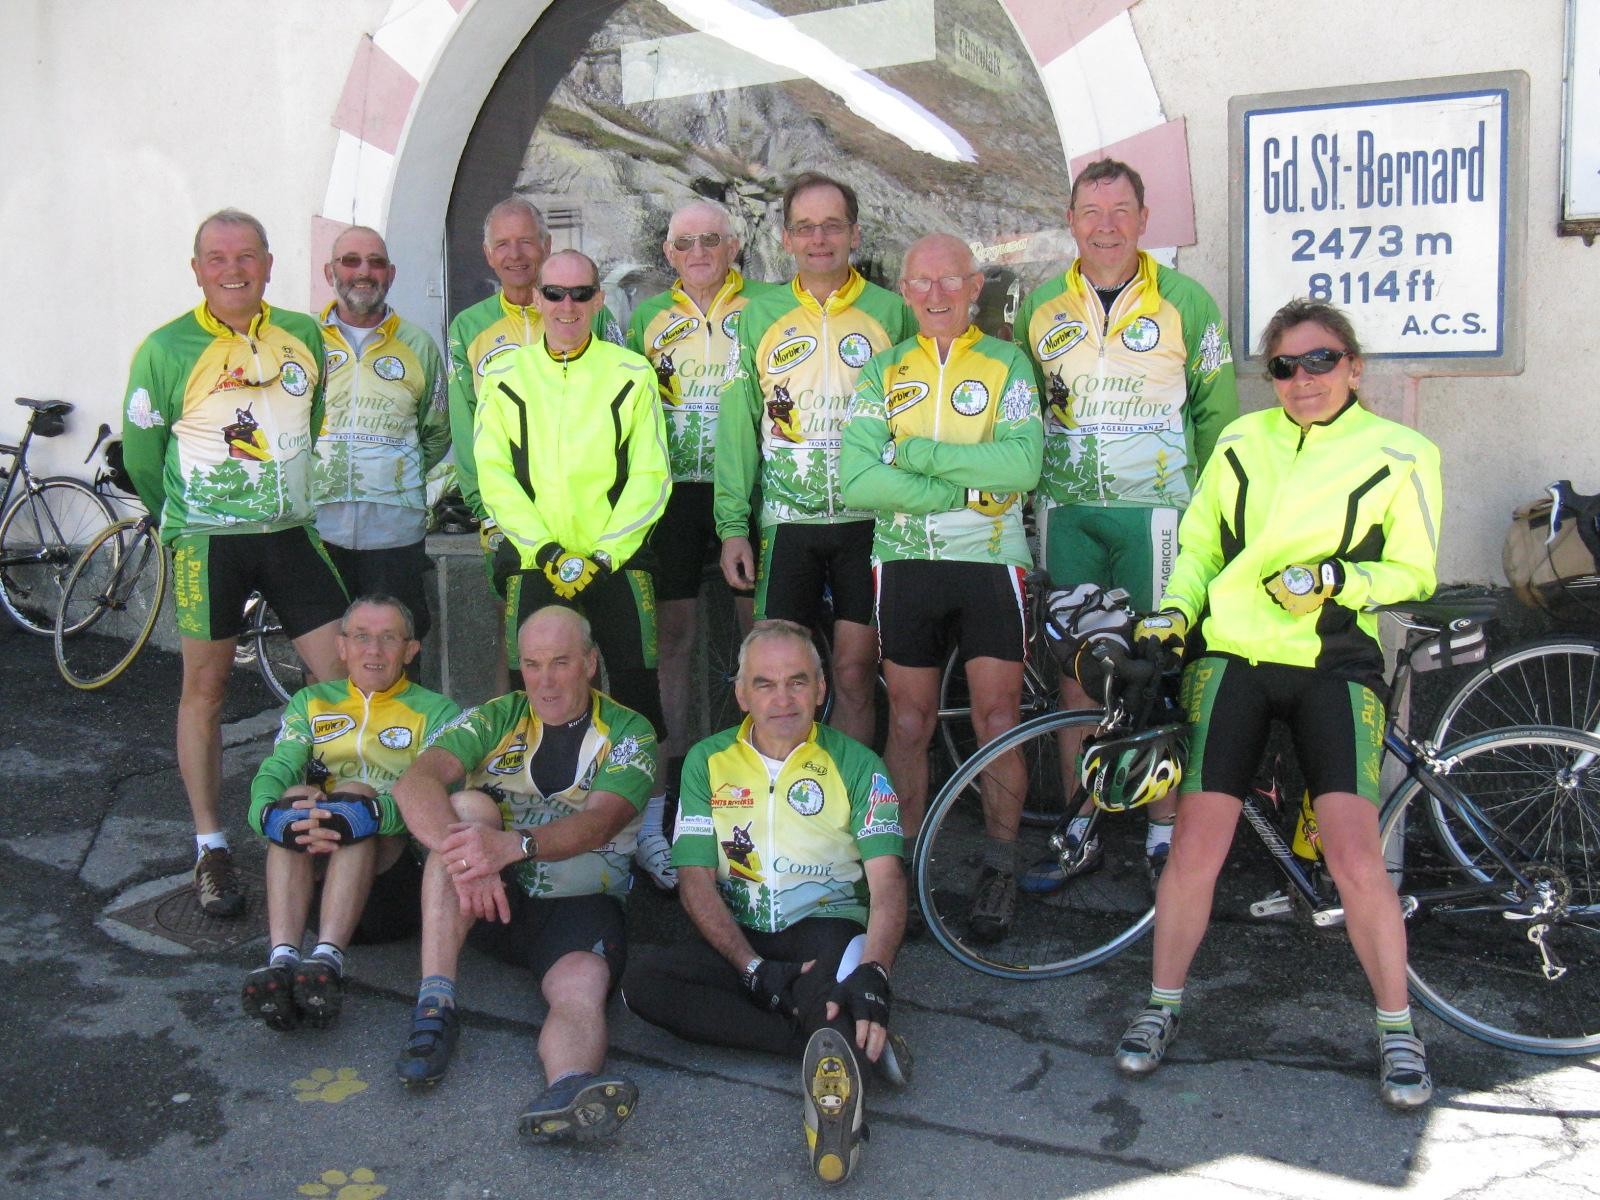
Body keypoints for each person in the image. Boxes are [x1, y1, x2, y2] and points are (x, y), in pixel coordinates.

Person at [1111, 299, 1442, 1111]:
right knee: (1196, 846)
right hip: (1233, 658)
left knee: (1357, 854)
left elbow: (1416, 571)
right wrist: (1172, 614)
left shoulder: (1403, 451)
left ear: (1354, 367)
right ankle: (1160, 1007)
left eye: (1322, 361)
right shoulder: (1239, 441)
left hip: (1334, 660)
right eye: (1285, 367)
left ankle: (1398, 1029)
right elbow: (1197, 549)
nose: (1303, 380)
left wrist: (1335, 581)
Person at [1012, 158, 1238, 891]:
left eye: (1120, 211)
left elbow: (1217, 417)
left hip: (1156, 517)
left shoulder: (1186, 301)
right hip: (1069, 511)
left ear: (1145, 220)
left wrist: (1213, 516)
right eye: (1090, 211)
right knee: (1075, 675)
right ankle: (1079, 823)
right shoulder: (1041, 306)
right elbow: (1023, 412)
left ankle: (1164, 830)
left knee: (1153, 672)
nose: (1105, 226)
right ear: (1071, 220)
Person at [622, 620, 907, 1185]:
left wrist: (876, 970)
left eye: (798, 682)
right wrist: (751, 969)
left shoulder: (859, 765)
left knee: (838, 985)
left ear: (822, 688)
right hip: (742, 933)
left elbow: (887, 884)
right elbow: (695, 879)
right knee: (643, 984)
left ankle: (831, 1038)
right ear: (741, 693)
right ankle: (832, 1043)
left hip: (825, 930)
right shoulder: (707, 761)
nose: (783, 699)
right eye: (766, 684)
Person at [122, 208, 348, 918]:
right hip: (209, 543)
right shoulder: (166, 348)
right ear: (197, 269)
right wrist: (184, 520)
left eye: (246, 255)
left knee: (338, 678)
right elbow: (142, 457)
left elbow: (308, 426)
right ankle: (211, 846)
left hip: (288, 532)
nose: (233, 268)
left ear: (269, 264)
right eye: (216, 257)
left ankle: (330, 817)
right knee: (206, 691)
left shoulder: (304, 335)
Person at [839, 233, 1042, 941]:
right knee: (908, 722)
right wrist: (957, 487)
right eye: (921, 283)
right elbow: (857, 478)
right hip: (905, 562)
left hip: (991, 562)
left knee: (997, 719)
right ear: (903, 288)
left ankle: (999, 866)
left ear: (974, 285)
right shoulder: (884, 370)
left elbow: (1022, 468)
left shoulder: (1008, 362)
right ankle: (905, 869)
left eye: (949, 281)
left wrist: (918, 458)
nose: (935, 295)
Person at [391, 606, 656, 1141]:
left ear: (589, 663)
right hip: (484, 897)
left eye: (560, 663)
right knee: (466, 810)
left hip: (578, 904)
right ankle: (435, 1003)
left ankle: (568, 1090)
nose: (545, 679)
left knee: (581, 988)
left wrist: (512, 847)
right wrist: (473, 859)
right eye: (532, 664)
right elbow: (414, 782)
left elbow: (599, 823)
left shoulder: (629, 732)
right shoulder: (497, 716)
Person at [473, 248, 676, 889]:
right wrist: (543, 550)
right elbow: (494, 474)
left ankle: (647, 831)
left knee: (638, 695)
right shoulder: (506, 374)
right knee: (526, 689)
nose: (566, 307)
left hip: (616, 557)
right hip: (540, 558)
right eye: (554, 294)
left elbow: (650, 472)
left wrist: (604, 552)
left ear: (597, 301)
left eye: (580, 294)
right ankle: (524, 823)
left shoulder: (629, 372)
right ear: (536, 298)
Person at [715, 172, 915, 745]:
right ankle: (780, 803)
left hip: (869, 522)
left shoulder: (890, 312)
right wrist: (733, 526)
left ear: (854, 233)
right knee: (778, 679)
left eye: (832, 225)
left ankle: (845, 803)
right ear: (786, 239)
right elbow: (738, 427)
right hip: (788, 524)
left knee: (853, 675)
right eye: (805, 227)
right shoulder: (758, 315)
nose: (819, 238)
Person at [241, 596, 459, 1030]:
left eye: (388, 639)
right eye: (361, 637)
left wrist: (374, 814)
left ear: (410, 650)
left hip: (393, 886)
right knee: (295, 794)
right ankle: (284, 961)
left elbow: (443, 793)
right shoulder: (310, 701)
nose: (373, 650)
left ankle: (327, 964)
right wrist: (266, 814)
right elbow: (277, 768)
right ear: (341, 647)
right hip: (315, 885)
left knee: (355, 794)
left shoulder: (438, 712)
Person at [626, 199, 764, 843]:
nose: (699, 252)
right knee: (673, 639)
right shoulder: (646, 320)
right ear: (668, 255)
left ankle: (762, 766)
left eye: (712, 239)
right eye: (686, 244)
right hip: (675, 493)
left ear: (734, 245)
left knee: (757, 631)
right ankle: (674, 775)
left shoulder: (764, 308)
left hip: (750, 485)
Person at [445, 197, 623, 694]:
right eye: (503, 243)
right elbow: (465, 425)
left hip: (590, 509)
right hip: (508, 513)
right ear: (487, 254)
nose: (516, 253)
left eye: (527, 240)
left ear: (547, 246)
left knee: (595, 630)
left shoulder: (587, 312)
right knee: (520, 631)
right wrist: (486, 508)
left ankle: (598, 757)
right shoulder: (468, 328)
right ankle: (519, 755)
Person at [313, 227, 451, 655]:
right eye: (350, 261)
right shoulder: (302, 344)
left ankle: (401, 726)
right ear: (328, 271)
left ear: (390, 274)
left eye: (375, 262)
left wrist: (391, 475)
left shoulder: (419, 346)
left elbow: (437, 431)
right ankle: (326, 725)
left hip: (394, 533)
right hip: (318, 530)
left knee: (396, 653)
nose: (363, 272)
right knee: (325, 656)